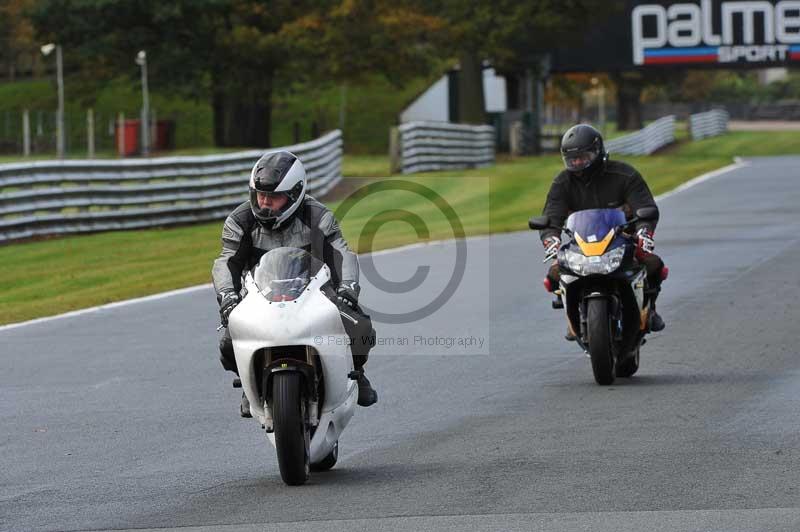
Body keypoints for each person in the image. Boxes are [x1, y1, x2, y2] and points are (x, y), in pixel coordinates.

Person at [211, 150, 378, 416]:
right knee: (227, 343)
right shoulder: (240, 221)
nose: (265, 203)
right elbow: (225, 261)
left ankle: (356, 371)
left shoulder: (318, 216)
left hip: (314, 291)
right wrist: (228, 296)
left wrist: (348, 288)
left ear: (294, 194)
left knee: (362, 328)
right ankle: (248, 382)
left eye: (273, 197)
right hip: (258, 294)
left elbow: (341, 252)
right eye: (260, 195)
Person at [539, 124, 666, 335]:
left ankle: (649, 308)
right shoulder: (562, 183)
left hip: (623, 237)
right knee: (553, 273)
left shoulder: (625, 175)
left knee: (653, 264)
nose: (578, 162)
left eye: (583, 156)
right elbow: (551, 218)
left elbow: (646, 208)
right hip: (580, 244)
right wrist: (551, 241)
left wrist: (644, 233)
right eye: (572, 159)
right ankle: (573, 309)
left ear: (597, 151)